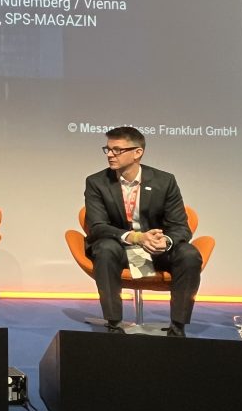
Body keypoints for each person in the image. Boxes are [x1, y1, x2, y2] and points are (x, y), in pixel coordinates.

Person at [84, 126, 201, 337]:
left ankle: (177, 328)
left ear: (137, 152)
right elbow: (97, 226)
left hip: (156, 250)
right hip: (120, 247)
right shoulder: (96, 182)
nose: (110, 154)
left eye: (117, 150)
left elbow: (180, 226)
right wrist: (137, 237)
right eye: (108, 149)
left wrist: (164, 241)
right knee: (105, 249)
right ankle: (114, 325)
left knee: (189, 254)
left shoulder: (165, 181)